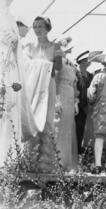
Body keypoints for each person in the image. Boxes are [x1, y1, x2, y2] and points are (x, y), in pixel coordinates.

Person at [23, 16, 62, 173]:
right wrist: (39, 66)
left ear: (47, 28)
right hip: (33, 86)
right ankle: (29, 162)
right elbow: (25, 65)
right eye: (35, 27)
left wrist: (45, 67)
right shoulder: (29, 47)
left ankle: (46, 165)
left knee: (47, 120)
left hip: (48, 86)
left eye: (40, 26)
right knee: (33, 119)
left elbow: (58, 66)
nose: (37, 29)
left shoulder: (55, 46)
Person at [0, 0, 23, 167]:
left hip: (10, 68)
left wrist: (15, 40)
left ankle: (9, 157)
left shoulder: (10, 16)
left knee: (11, 110)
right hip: (3, 64)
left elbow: (16, 44)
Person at [54, 36, 78, 172]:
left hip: (69, 95)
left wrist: (75, 101)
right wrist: (57, 99)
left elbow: (74, 84)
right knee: (61, 128)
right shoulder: (58, 60)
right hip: (61, 93)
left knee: (69, 129)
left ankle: (68, 163)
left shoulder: (70, 62)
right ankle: (59, 162)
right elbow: (55, 79)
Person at [74, 51, 93, 154]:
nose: (89, 61)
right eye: (87, 60)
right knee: (78, 127)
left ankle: (84, 147)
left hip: (88, 105)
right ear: (82, 62)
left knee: (86, 127)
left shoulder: (90, 75)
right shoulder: (76, 73)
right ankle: (77, 148)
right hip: (79, 105)